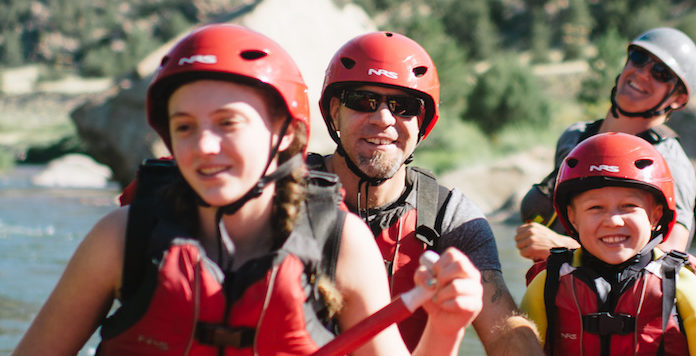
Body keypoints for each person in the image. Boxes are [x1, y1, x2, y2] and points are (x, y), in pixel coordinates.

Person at [14, 24, 483, 356]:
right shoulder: (121, 237)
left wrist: (445, 329)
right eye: (184, 126)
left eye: (228, 124)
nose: (203, 146)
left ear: (284, 135)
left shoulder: (341, 243)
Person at [309, 31, 542, 355]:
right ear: (334, 111)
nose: (383, 119)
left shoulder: (451, 218)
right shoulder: (284, 193)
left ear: (422, 122)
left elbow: (503, 329)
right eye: (363, 101)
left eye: (403, 106)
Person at [520, 132, 696, 356]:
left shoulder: (680, 282)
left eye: (628, 206)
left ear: (655, 216)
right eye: (595, 208)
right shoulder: (549, 282)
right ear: (572, 217)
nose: (613, 221)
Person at [515, 27, 696, 261]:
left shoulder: (669, 161)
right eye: (639, 58)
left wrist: (562, 247)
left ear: (678, 98)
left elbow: (669, 257)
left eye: (661, 73)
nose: (642, 74)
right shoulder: (574, 138)